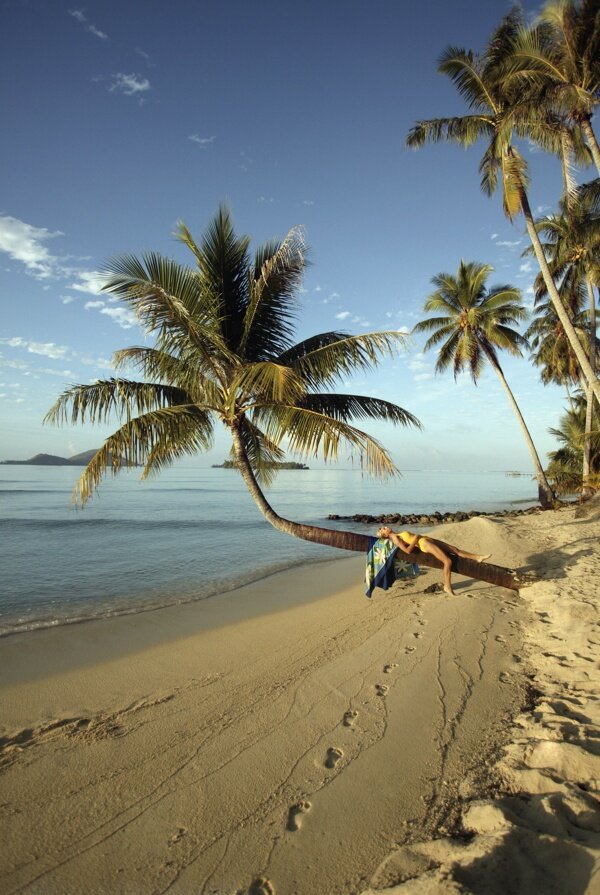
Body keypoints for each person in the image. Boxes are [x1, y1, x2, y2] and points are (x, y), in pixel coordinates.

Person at [376, 526, 491, 596]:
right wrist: (415, 539)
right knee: (447, 561)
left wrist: (418, 537)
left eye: (384, 527)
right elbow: (407, 551)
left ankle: (477, 557)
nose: (385, 527)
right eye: (383, 529)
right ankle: (447, 587)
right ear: (385, 535)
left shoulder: (398, 534)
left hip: (426, 539)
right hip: (424, 544)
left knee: (455, 549)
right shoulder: (395, 538)